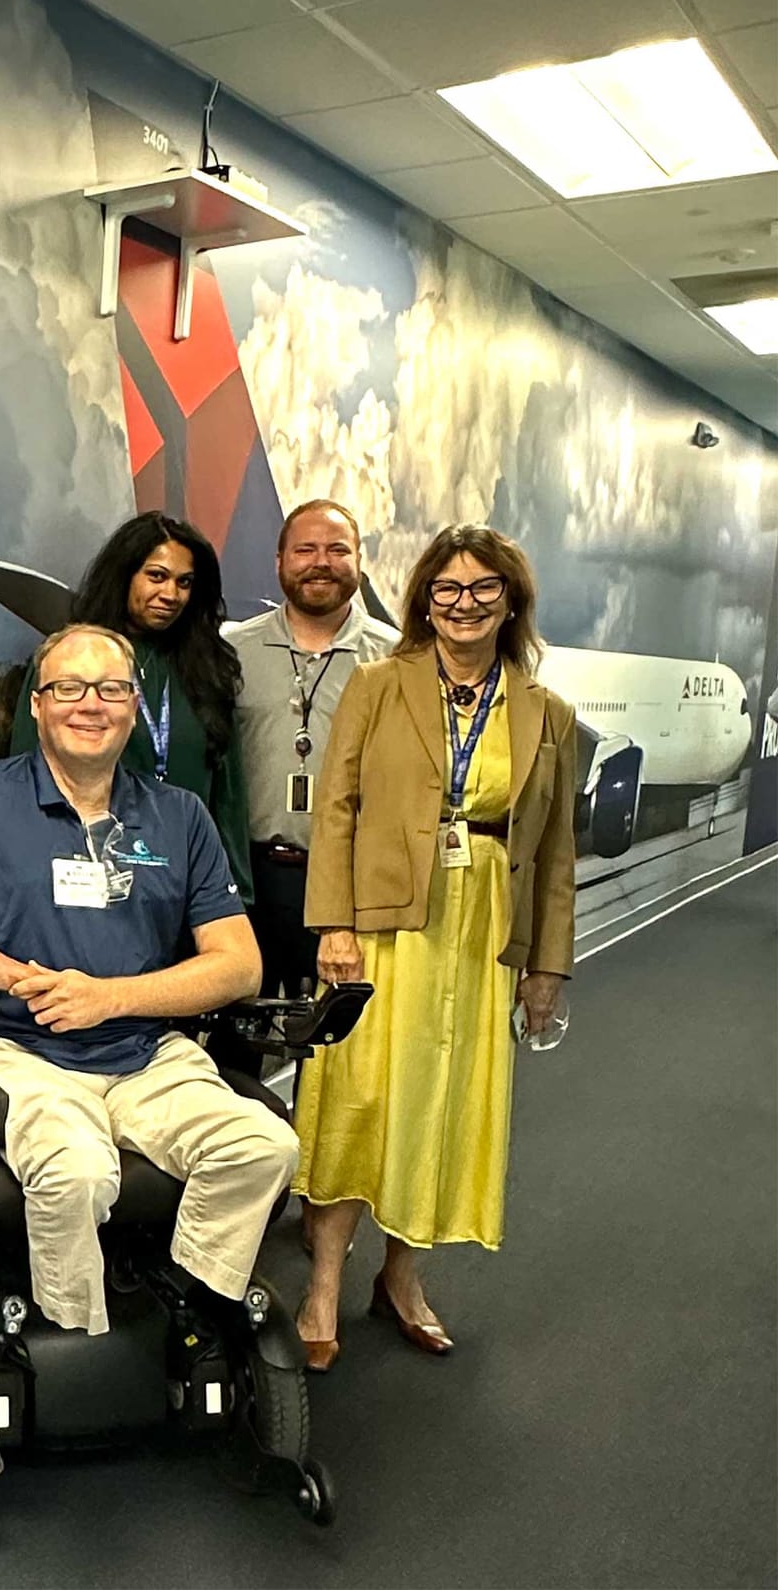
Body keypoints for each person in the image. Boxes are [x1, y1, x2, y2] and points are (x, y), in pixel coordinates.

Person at [0, 622, 297, 1334]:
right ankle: (74, 1336)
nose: (90, 704)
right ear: (38, 702)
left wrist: (109, 998)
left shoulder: (178, 815)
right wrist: (37, 985)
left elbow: (240, 964)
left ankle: (184, 1305)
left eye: (111, 689)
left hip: (144, 1054)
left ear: (133, 703)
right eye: (69, 688)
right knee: (77, 1172)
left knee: (265, 1146)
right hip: (16, 1051)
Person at [292, 524, 576, 1370]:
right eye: (447, 589)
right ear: (424, 601)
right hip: (382, 927)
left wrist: (546, 966)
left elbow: (557, 849)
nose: (464, 604)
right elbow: (335, 808)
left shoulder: (544, 710)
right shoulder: (380, 686)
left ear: (511, 600)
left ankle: (402, 1280)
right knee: (361, 1099)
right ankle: (322, 1289)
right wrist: (333, 926)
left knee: (447, 1103)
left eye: (483, 588)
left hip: (482, 928)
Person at [12, 513, 256, 902]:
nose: (171, 594)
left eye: (184, 582)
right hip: (87, 877)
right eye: (156, 576)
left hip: (188, 879)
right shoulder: (71, 657)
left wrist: (238, 894)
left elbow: (227, 795)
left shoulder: (208, 669)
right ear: (125, 575)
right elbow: (28, 772)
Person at [222, 500, 399, 1003]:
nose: (321, 562)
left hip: (349, 886)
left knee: (336, 1057)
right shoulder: (233, 651)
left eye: (337, 550)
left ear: (359, 563)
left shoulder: (395, 659)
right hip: (249, 883)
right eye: (305, 549)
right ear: (279, 561)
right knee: (236, 1045)